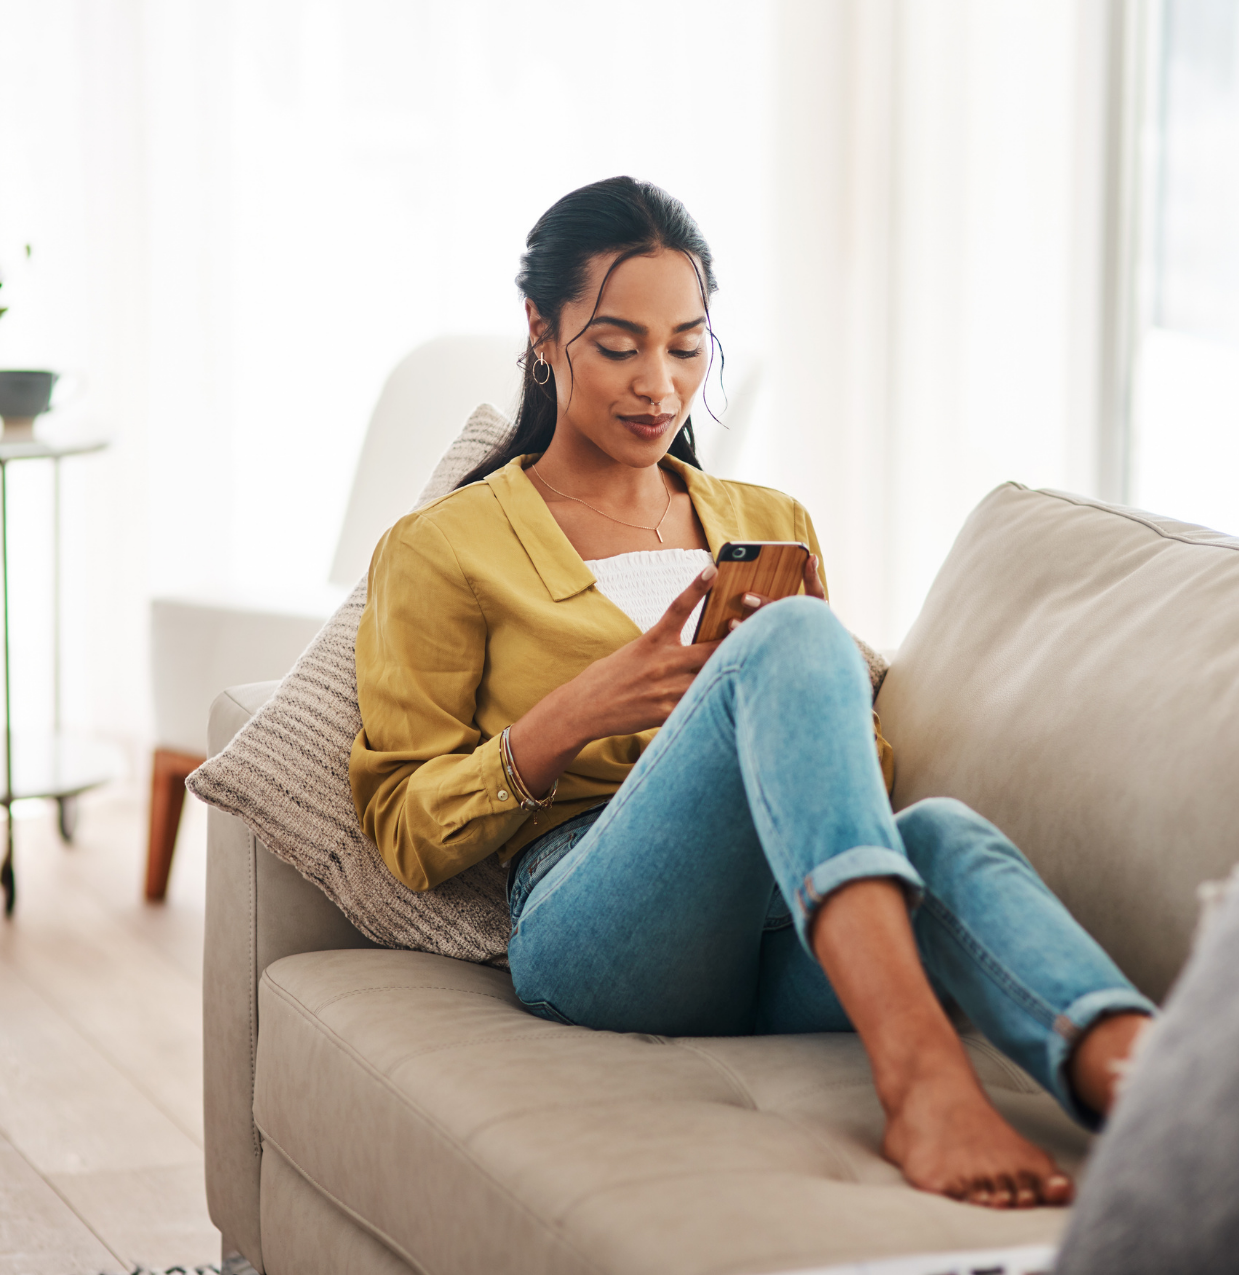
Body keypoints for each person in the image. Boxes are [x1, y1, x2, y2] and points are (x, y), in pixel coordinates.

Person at [350, 176, 1154, 1210]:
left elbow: (856, 780)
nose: (660, 385)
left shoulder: (768, 519)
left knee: (944, 832)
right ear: (542, 335)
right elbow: (401, 831)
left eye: (687, 346)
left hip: (791, 930)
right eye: (618, 344)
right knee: (797, 639)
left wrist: (798, 697)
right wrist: (581, 711)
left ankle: (1164, 1087)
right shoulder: (442, 545)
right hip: (599, 926)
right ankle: (919, 1075)